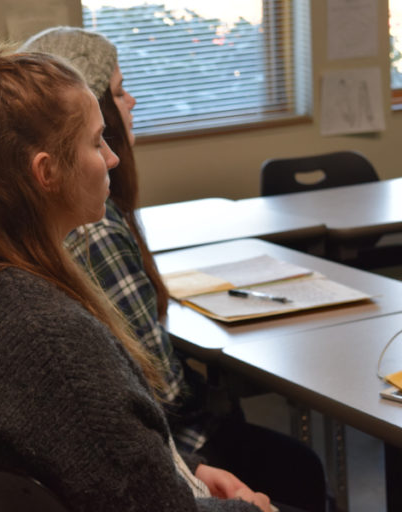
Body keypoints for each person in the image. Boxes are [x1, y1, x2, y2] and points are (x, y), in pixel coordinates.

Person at [0, 40, 275, 512]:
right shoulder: (48, 337)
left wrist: (186, 465)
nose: (112, 158)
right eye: (96, 142)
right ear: (47, 172)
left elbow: (94, 447)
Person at [22, 26, 326, 512]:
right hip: (168, 449)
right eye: (118, 92)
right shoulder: (93, 228)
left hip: (140, 448)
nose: (132, 102)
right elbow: (159, 385)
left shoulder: (53, 222)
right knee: (298, 467)